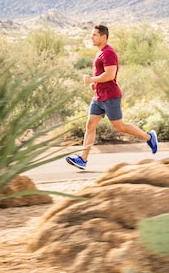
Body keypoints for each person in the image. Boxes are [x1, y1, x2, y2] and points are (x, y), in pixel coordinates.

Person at [66, 24, 158, 170]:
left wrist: (92, 79)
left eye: (95, 35)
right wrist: (95, 84)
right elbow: (103, 74)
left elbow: (110, 75)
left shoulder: (109, 53)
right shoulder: (100, 52)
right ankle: (83, 159)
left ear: (104, 37)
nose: (92, 37)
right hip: (99, 97)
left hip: (110, 97)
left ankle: (149, 137)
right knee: (90, 125)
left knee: (119, 126)